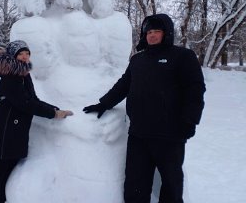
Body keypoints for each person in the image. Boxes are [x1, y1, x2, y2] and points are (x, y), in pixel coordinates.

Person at [83, 13, 206, 203]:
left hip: (170, 134)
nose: (152, 35)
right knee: (135, 185)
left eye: (157, 31)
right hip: (139, 134)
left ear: (167, 33)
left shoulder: (182, 56)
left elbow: (195, 90)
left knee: (171, 185)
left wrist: (189, 121)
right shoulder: (138, 60)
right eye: (148, 31)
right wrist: (104, 103)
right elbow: (124, 85)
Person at [0, 40, 73, 203]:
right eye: (20, 54)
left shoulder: (23, 75)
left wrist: (55, 109)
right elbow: (25, 103)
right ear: (13, 56)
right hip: (2, 137)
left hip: (11, 137)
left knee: (2, 180)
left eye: (27, 54)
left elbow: (33, 99)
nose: (24, 57)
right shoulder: (10, 77)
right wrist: (53, 113)